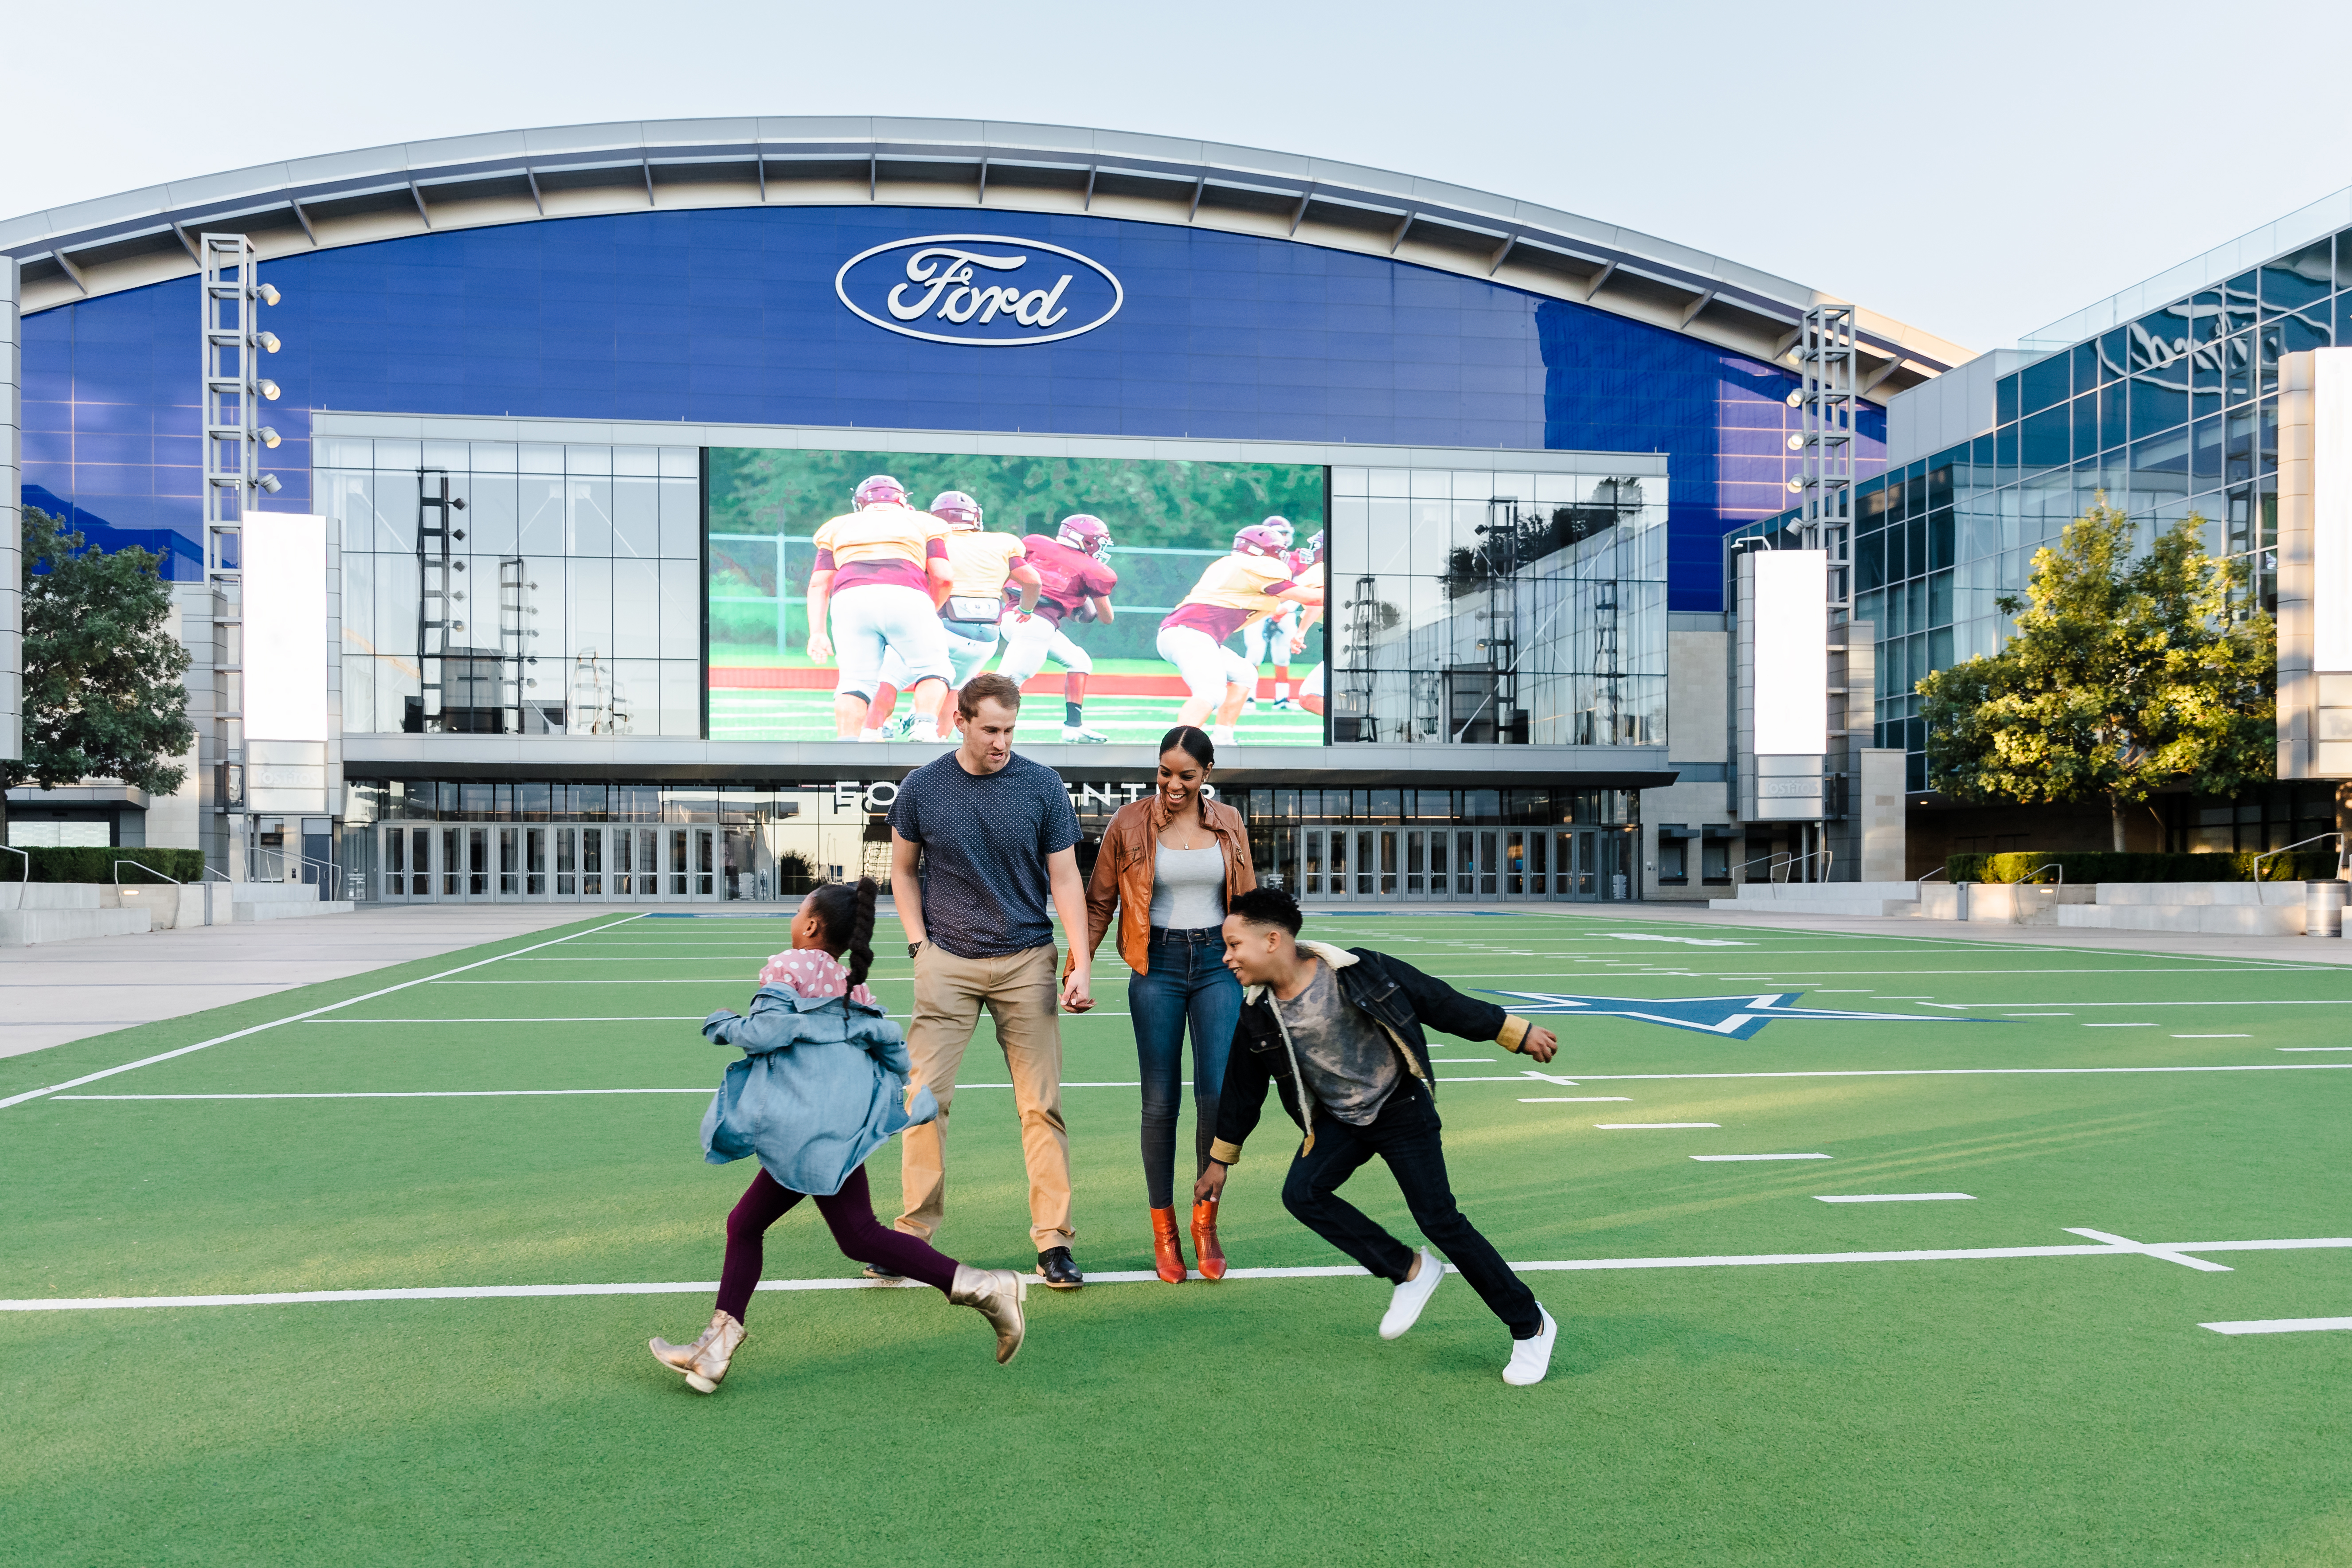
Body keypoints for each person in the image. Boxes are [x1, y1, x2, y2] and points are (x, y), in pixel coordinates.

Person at [649, 877, 1030, 1394]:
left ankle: (985, 1286)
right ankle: (714, 1349)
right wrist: (902, 1091)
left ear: (809, 924)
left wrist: (723, 1024)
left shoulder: (789, 965)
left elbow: (766, 1033)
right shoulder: (853, 984)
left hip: (807, 1124)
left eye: (799, 911)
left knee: (796, 1230)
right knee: (837, 1233)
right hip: (839, 1119)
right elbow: (887, 1043)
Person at [1198, 887, 1565, 1386]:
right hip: (1340, 1121)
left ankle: (1531, 1326)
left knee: (1441, 1221)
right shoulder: (1257, 1011)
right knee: (1303, 1193)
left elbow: (1438, 1000)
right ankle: (1410, 1270)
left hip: (1400, 1108)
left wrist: (1512, 1032)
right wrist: (1221, 1158)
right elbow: (1243, 1088)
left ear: (1271, 940)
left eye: (1233, 944)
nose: (1226, 956)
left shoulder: (1358, 970)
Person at [887, 671, 1096, 1289]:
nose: (1002, 741)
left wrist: (1080, 961)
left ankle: (1054, 1241)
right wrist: (918, 945)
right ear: (961, 720)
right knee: (923, 1104)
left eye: (1010, 729)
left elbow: (1065, 879)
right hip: (945, 961)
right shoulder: (923, 786)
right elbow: (903, 870)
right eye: (990, 729)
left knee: (1041, 1107)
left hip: (1026, 960)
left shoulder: (1041, 785)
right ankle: (910, 1239)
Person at [1077, 725, 1255, 1283]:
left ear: (1207, 777)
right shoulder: (1128, 823)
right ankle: (1166, 1234)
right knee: (1159, 1104)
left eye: (1186, 776)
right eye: (1164, 772)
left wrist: (1267, 965)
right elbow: (1099, 902)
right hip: (1155, 964)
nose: (1172, 785)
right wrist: (1076, 970)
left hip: (1216, 966)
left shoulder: (1229, 822)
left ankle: (1207, 1222)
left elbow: (1247, 903)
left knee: (1214, 1097)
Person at [865, 489, 1043, 741]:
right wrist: (1026, 610)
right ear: (975, 517)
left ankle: (872, 732)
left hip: (941, 625)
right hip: (985, 637)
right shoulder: (1003, 542)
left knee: (888, 679)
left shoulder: (932, 541)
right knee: (955, 689)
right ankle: (936, 742)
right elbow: (1033, 581)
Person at [804, 475, 956, 740]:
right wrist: (927, 608)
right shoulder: (923, 521)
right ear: (902, 499)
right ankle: (923, 727)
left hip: (850, 598)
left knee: (854, 682)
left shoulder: (838, 525)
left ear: (860, 502)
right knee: (934, 668)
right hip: (906, 591)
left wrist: (817, 633)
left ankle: (847, 748)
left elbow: (819, 585)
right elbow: (943, 576)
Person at [1157, 523, 1324, 746]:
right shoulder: (1257, 567)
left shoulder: (1229, 564)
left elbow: (1277, 603)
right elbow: (1313, 599)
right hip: (1191, 634)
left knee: (1245, 673)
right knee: (1210, 691)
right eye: (1278, 552)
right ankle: (1177, 749)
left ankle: (1223, 738)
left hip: (1185, 632)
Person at [994, 514, 1118, 743]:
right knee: (1006, 685)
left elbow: (1009, 576)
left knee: (1080, 662)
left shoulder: (1035, 544)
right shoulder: (1093, 569)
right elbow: (1106, 617)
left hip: (1014, 616)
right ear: (1088, 541)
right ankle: (983, 731)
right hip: (1035, 626)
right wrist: (1085, 598)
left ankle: (1074, 727)